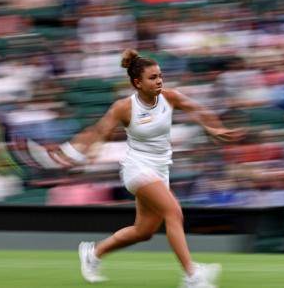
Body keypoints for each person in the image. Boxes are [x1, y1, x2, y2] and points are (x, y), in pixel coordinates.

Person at [50, 49, 244, 288]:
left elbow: (197, 109)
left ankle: (93, 253)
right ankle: (191, 276)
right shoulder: (124, 107)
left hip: (161, 169)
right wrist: (79, 152)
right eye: (152, 77)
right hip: (137, 168)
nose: (159, 80)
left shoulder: (169, 97)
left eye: (160, 76)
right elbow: (99, 131)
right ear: (137, 83)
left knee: (144, 231)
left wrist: (213, 128)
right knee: (174, 212)